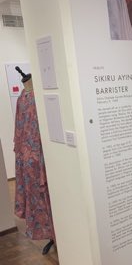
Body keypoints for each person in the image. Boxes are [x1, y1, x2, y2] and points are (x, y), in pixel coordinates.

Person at [14, 68, 55, 255]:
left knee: (47, 195)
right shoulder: (21, 97)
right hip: (27, 159)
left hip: (41, 156)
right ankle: (50, 234)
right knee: (37, 198)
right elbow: (18, 127)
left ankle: (57, 232)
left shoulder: (40, 96)